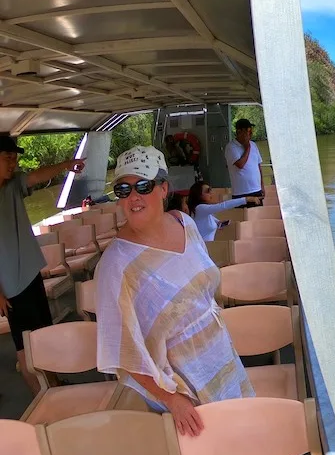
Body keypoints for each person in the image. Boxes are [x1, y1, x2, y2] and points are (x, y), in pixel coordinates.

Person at [95, 145, 253, 438]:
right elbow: (122, 348)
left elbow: (201, 290)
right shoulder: (115, 267)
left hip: (218, 353)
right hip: (179, 382)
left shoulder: (186, 223)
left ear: (163, 188)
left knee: (239, 436)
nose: (134, 197)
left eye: (143, 185)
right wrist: (171, 399)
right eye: (123, 190)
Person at [0, 133, 85, 394]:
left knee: (44, 336)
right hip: (11, 287)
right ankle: (43, 396)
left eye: (15, 158)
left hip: (30, 275)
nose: (13, 164)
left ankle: (55, 385)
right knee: (27, 350)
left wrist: (67, 165)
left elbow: (37, 175)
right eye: (8, 158)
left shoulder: (12, 185)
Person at [165, 182, 262, 242]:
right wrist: (246, 199)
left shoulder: (199, 211)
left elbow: (209, 220)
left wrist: (217, 223)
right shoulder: (199, 209)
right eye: (207, 191)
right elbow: (223, 206)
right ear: (199, 195)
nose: (211, 192)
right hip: (209, 249)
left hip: (212, 245)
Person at [224, 118, 264, 201]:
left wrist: (262, 185)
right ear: (239, 131)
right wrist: (247, 148)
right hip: (241, 192)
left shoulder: (253, 145)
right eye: (248, 131)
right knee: (244, 214)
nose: (251, 133)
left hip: (257, 189)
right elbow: (240, 164)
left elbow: (258, 166)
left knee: (258, 213)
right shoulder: (231, 147)